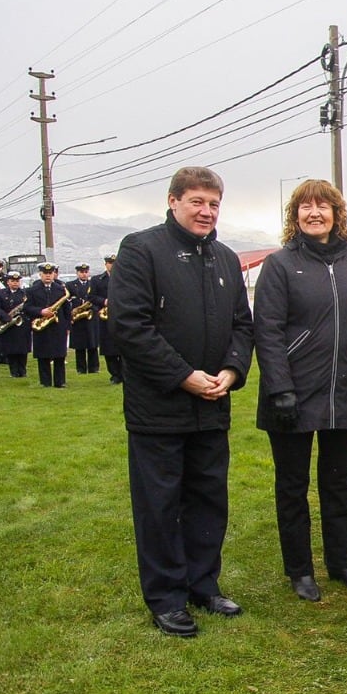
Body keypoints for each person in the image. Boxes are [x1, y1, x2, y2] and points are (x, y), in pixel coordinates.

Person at [111, 166, 254, 638]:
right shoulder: (142, 249)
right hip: (159, 409)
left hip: (213, 404)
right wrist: (183, 377)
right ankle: (167, 597)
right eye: (197, 202)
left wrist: (231, 372)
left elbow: (242, 326)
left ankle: (203, 584)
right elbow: (131, 328)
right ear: (173, 201)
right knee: (159, 505)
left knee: (208, 500)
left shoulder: (226, 259)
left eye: (214, 204)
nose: (206, 211)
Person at [254, 179, 347, 601]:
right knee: (292, 486)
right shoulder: (280, 265)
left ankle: (341, 563)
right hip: (292, 394)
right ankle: (300, 570)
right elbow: (268, 332)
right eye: (305, 207)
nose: (315, 213)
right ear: (295, 216)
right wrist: (280, 389)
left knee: (337, 482)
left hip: (345, 389)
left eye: (323, 206)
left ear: (336, 214)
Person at [24, 262, 71, 388]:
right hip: (41, 325)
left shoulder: (61, 289)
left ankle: (60, 381)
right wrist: (40, 311)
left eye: (50, 273)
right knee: (43, 354)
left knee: (59, 354)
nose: (48, 276)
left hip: (58, 325)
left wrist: (67, 326)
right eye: (45, 273)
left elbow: (67, 309)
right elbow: (27, 307)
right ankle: (45, 382)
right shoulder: (32, 290)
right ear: (40, 274)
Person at [91, 255, 123, 383]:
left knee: (123, 347)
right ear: (105, 264)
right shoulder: (97, 280)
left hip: (121, 316)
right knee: (108, 348)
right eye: (110, 263)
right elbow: (91, 297)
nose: (112, 265)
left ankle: (124, 374)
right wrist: (104, 301)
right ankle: (115, 375)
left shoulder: (125, 278)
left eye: (114, 263)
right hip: (105, 317)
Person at [66, 263, 100, 375]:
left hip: (91, 316)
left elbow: (96, 299)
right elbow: (68, 300)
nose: (84, 274)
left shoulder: (93, 284)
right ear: (77, 273)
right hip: (78, 318)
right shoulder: (70, 285)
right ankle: (81, 368)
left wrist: (92, 308)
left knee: (93, 344)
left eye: (86, 272)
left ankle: (94, 368)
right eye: (81, 272)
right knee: (79, 345)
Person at [0, 271, 30, 377]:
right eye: (12, 281)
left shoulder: (25, 293)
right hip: (8, 325)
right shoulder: (0, 293)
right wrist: (6, 317)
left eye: (17, 281)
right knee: (10, 349)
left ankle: (22, 370)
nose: (15, 283)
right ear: (8, 282)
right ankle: (13, 371)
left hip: (22, 325)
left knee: (22, 349)